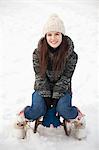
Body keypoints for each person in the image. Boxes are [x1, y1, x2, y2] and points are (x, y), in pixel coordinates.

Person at [16, 14, 86, 138]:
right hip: (42, 87)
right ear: (45, 36)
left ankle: (78, 118)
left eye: (57, 34)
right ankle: (23, 117)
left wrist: (56, 97)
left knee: (64, 109)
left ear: (62, 35)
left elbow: (66, 77)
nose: (53, 38)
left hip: (63, 89)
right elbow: (40, 76)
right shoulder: (38, 53)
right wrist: (47, 96)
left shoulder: (71, 55)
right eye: (49, 34)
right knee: (37, 109)